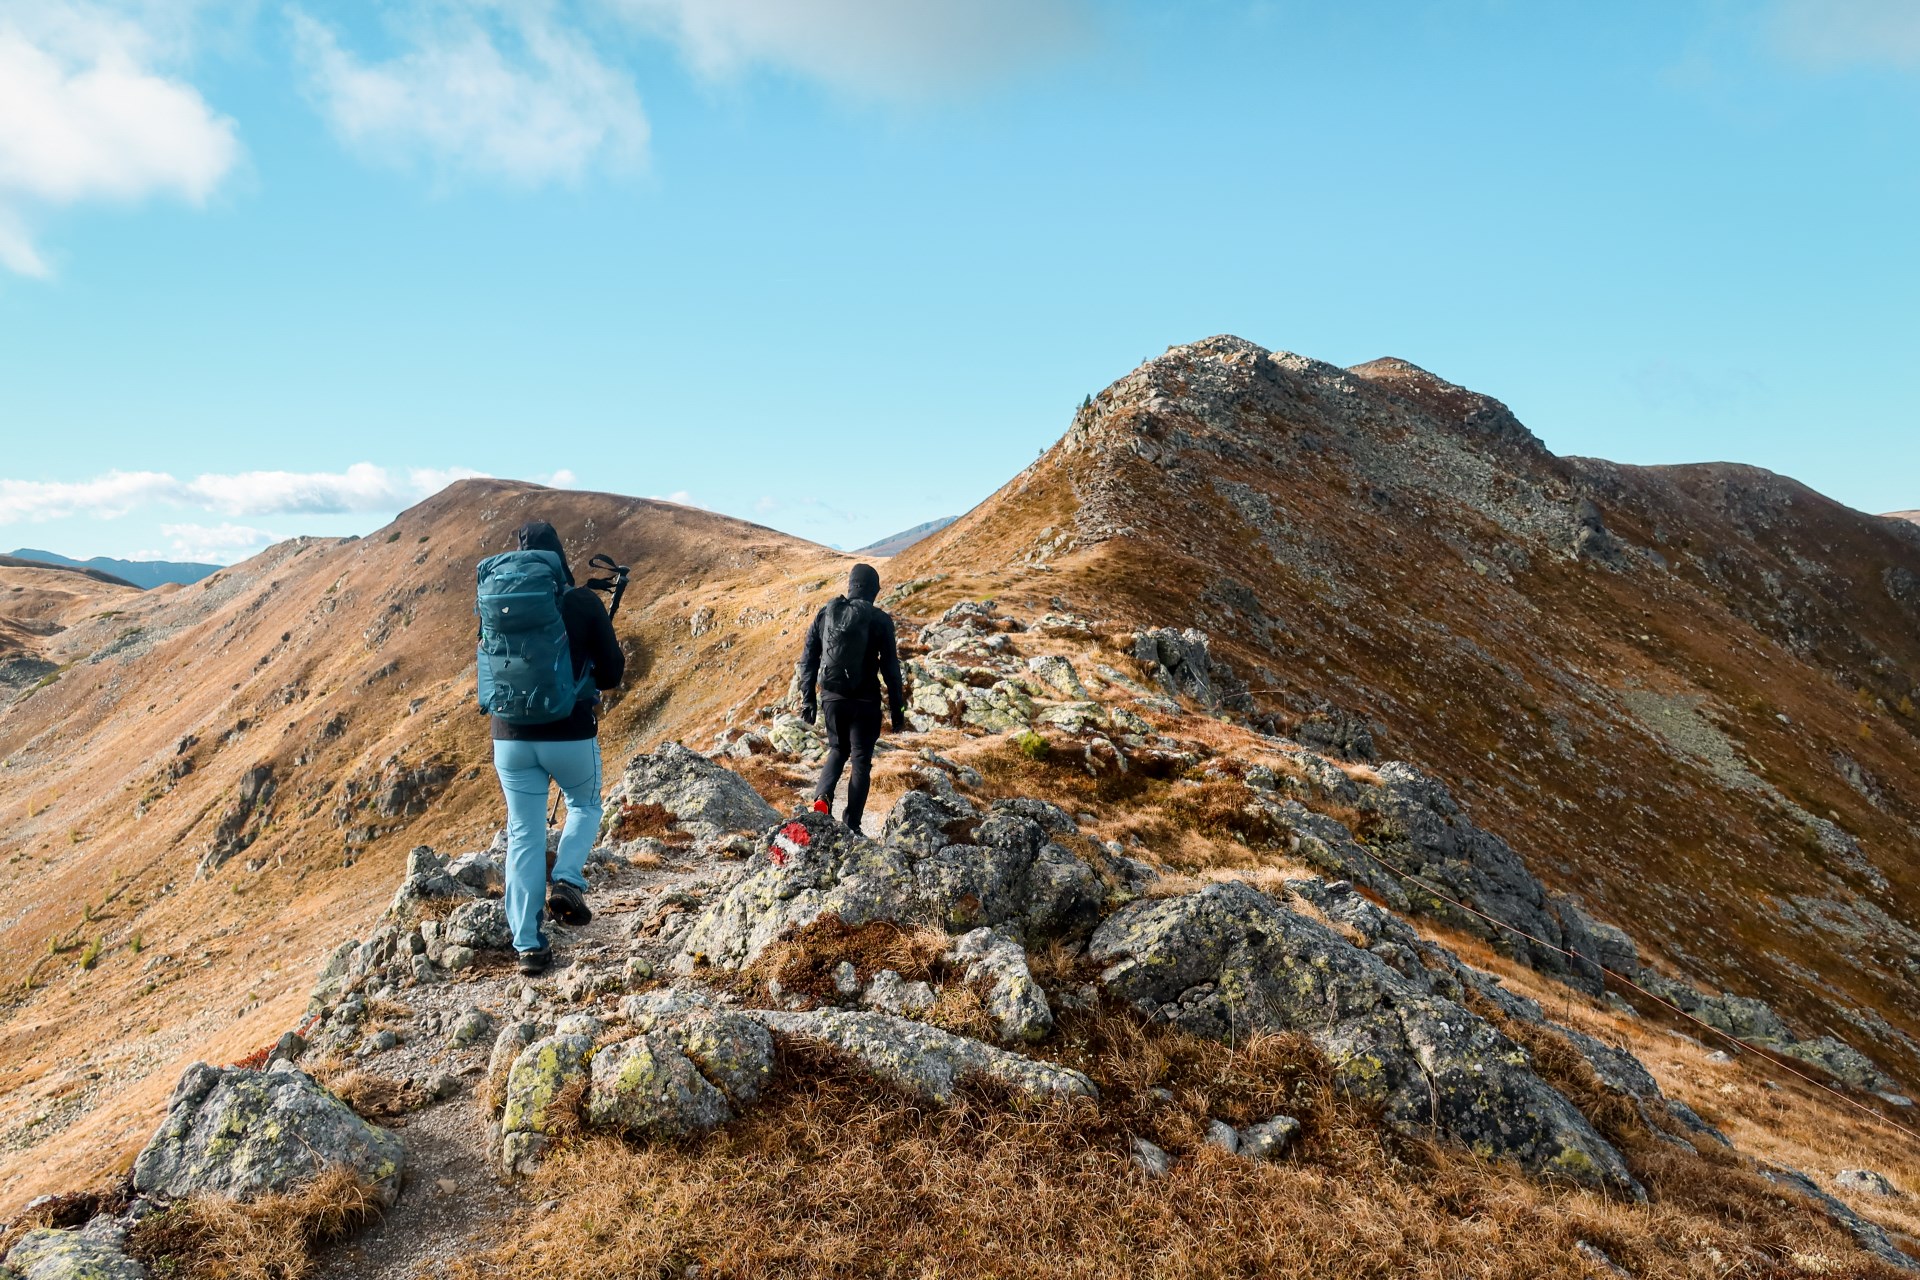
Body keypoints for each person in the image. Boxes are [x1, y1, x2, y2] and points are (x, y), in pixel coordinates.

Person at [487, 520, 624, 976]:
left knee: (523, 833)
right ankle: (567, 878)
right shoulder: (582, 601)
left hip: (509, 737)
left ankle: (528, 946)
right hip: (569, 733)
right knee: (584, 804)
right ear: (559, 557)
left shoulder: (499, 605)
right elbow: (611, 674)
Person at [798, 562, 907, 833]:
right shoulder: (879, 618)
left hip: (832, 698)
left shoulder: (826, 613)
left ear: (851, 585)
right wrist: (897, 711)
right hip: (865, 701)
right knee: (860, 760)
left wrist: (808, 699)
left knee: (837, 749)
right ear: (873, 589)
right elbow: (891, 668)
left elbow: (808, 658)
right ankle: (853, 825)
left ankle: (822, 798)